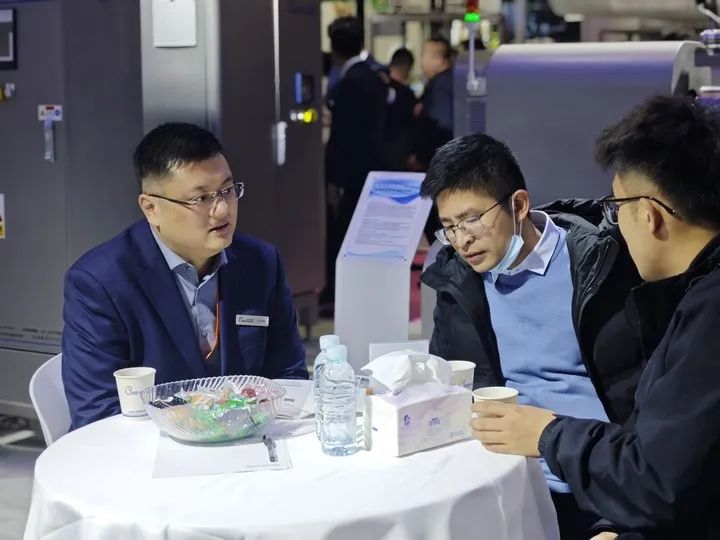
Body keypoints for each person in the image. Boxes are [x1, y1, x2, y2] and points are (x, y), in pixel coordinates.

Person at [471, 96, 720, 540]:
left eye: (617, 207)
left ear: (650, 215)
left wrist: (548, 434)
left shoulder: (707, 316)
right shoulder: (694, 294)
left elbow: (659, 480)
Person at [420, 133, 642, 539]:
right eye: (449, 227)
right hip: (503, 483)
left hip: (599, 484)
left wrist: (623, 518)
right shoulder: (458, 282)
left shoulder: (602, 263)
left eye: (472, 219)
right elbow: (449, 385)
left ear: (519, 205)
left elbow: (646, 397)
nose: (462, 240)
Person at [62, 123, 308, 430]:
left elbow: (288, 377)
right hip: (149, 450)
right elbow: (98, 413)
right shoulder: (100, 283)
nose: (222, 210)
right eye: (201, 199)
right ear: (151, 208)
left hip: (248, 442)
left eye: (227, 190)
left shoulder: (261, 263)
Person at [323, 16, 387, 311]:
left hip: (349, 172)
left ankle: (338, 292)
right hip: (371, 168)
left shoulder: (349, 83)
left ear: (334, 49)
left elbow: (343, 135)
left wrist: (333, 177)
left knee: (343, 232)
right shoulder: (374, 78)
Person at [381, 47, 418, 171]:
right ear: (407, 67)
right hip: (398, 155)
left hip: (375, 152)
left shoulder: (376, 86)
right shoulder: (406, 94)